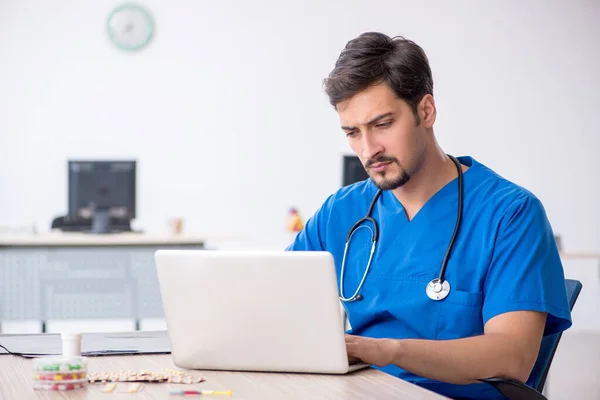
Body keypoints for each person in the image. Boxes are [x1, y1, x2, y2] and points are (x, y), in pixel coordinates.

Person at [286, 32, 572, 400]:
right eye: (353, 133)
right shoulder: (341, 212)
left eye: (383, 124)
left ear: (426, 111)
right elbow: (278, 305)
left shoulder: (510, 214)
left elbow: (512, 356)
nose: (368, 149)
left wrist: (387, 351)